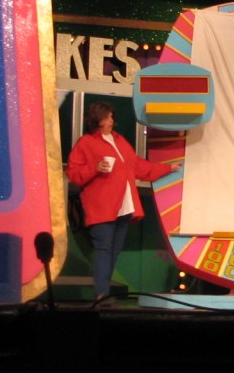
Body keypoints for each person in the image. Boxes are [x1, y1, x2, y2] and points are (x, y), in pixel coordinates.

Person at [66, 101, 181, 302]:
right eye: (108, 117)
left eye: (111, 116)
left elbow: (139, 166)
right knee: (104, 249)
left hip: (124, 206)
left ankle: (103, 293)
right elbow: (73, 173)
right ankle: (101, 294)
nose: (112, 120)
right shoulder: (86, 143)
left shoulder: (119, 140)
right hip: (102, 207)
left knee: (113, 251)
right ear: (98, 120)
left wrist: (168, 169)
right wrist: (95, 167)